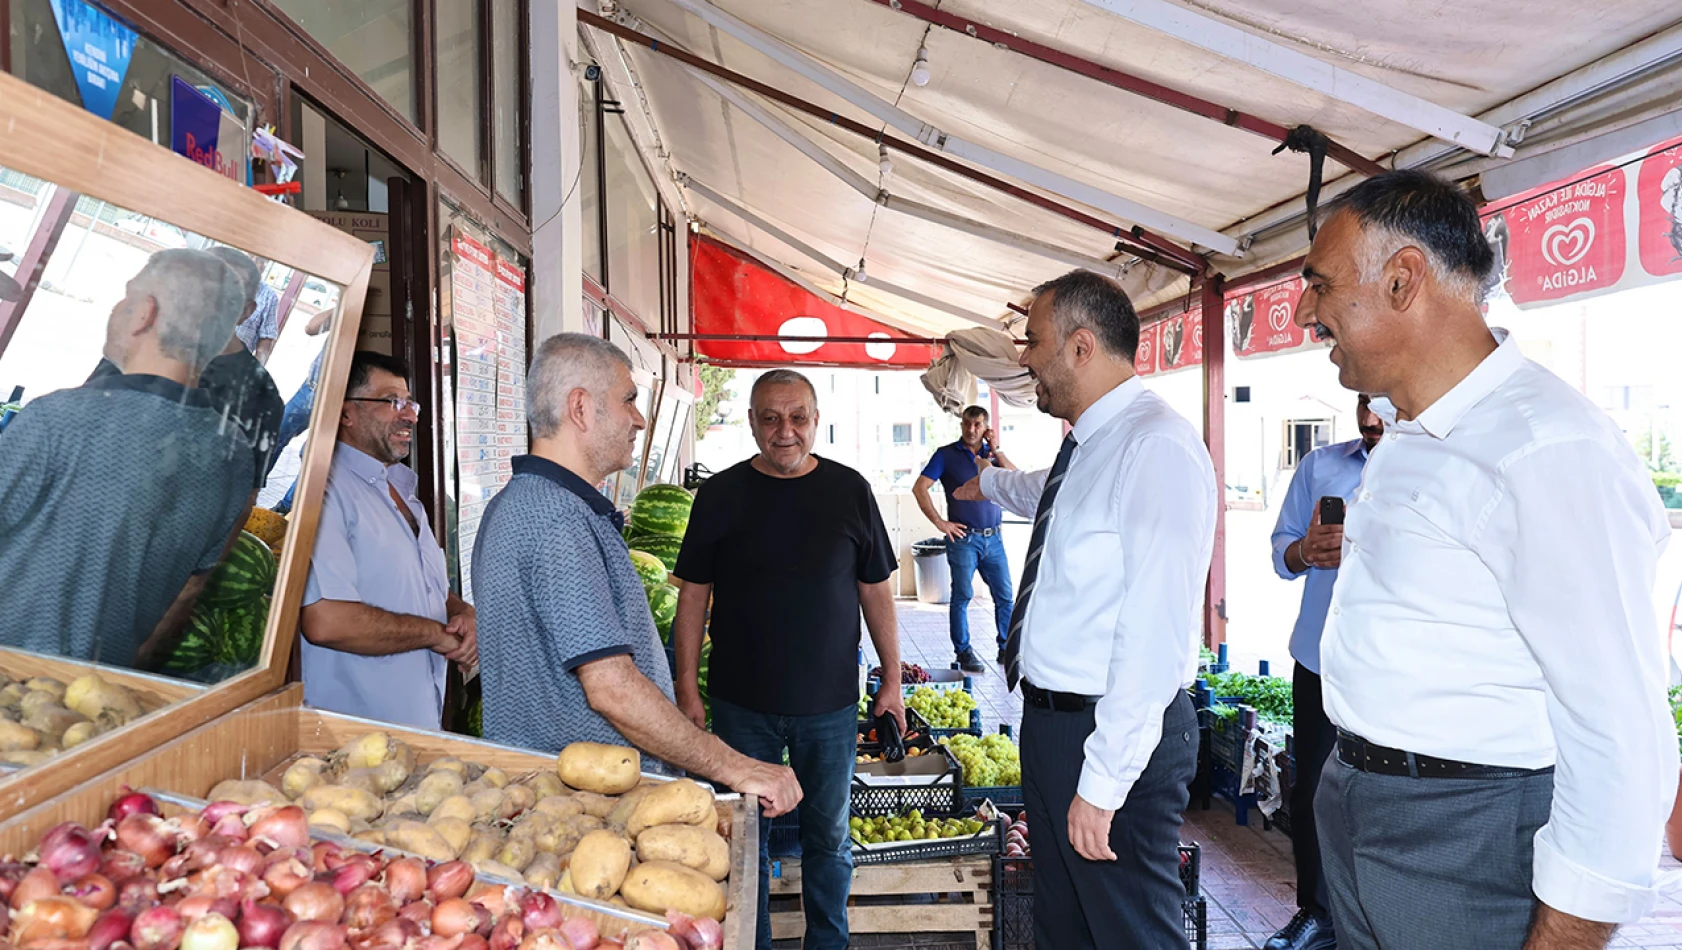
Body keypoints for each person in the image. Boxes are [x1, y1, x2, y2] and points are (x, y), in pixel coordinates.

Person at [1296, 169, 1675, 950]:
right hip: (1364, 803)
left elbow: (1617, 733)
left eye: (1320, 285)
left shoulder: (1545, 449)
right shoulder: (1411, 432)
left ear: (1403, 280)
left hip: (1463, 836)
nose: (1306, 312)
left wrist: (1567, 934)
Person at [953, 269, 1217, 950]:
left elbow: (1155, 631)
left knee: (1130, 932)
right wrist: (984, 479)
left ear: (1079, 346)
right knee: (1065, 928)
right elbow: (1043, 493)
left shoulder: (1154, 445)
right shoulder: (1088, 447)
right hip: (1051, 725)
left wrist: (1103, 781)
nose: (1024, 358)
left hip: (1111, 731)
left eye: (1033, 341)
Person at [471, 333, 801, 821]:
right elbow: (611, 687)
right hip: (582, 813)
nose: (639, 419)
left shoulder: (517, 505)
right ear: (580, 408)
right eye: (628, 400)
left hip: (557, 804)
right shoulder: (557, 521)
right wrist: (736, 767)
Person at [671, 368, 908, 950]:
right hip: (739, 706)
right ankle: (752, 942)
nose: (785, 431)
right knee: (745, 839)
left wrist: (892, 680)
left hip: (827, 705)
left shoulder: (849, 490)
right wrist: (685, 688)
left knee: (829, 839)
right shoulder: (719, 495)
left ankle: (828, 944)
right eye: (771, 418)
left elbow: (875, 589)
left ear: (815, 420)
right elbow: (693, 597)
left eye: (797, 417)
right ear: (751, 422)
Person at [0, 248, 253, 666]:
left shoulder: (60, 419)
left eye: (126, 296)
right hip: (94, 693)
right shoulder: (233, 454)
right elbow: (192, 585)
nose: (117, 309)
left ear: (145, 314)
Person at [1262, 393, 1384, 950]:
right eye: (1362, 405)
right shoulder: (1322, 465)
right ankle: (1316, 914)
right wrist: (1305, 552)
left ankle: (1379, 919)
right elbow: (1281, 549)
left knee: (1383, 797)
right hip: (1319, 661)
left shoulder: (1431, 464)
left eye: (1379, 409)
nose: (1369, 420)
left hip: (1392, 671)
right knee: (1312, 789)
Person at [300, 351, 476, 729]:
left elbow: (429, 593)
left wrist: (463, 614)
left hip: (417, 729)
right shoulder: (325, 493)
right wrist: (435, 636)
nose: (410, 415)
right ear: (345, 412)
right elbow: (326, 621)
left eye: (410, 403)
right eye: (392, 402)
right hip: (352, 744)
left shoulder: (403, 492)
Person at [913, 404, 1017, 673]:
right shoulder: (946, 455)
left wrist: (996, 448)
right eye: (967, 424)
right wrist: (940, 522)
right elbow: (920, 487)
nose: (972, 429)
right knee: (962, 596)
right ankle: (964, 652)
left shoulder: (991, 456)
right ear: (962, 425)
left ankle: (1006, 647)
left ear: (985, 427)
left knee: (1005, 595)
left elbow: (1015, 478)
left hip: (994, 538)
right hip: (963, 539)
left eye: (978, 425)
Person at [233, 260, 281, 365]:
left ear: (265, 266)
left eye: (260, 260)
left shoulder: (268, 297)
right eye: (249, 256)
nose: (252, 262)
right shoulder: (219, 281)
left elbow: (265, 341)